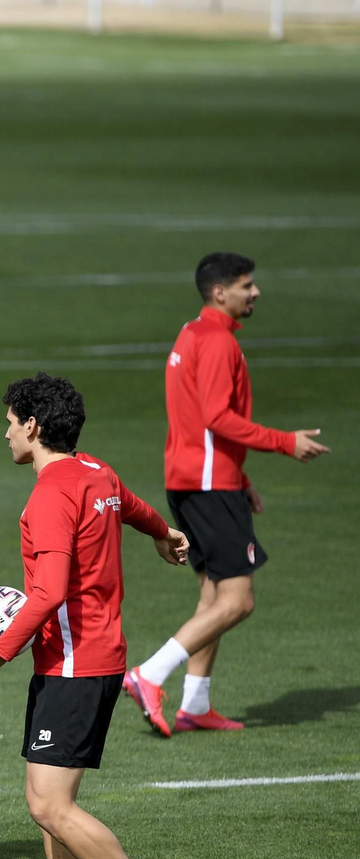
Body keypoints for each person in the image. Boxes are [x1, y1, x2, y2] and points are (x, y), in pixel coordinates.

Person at [0, 373, 193, 859]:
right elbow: (133, 505)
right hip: (88, 658)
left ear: (33, 425)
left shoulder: (48, 495)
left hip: (73, 664)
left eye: (11, 419)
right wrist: (163, 534)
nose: (6, 429)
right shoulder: (96, 472)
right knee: (50, 806)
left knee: (48, 803)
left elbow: (48, 590)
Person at [124, 253, 330, 735]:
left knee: (212, 598)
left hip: (192, 478)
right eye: (246, 285)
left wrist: (242, 479)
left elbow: (199, 420)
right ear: (221, 292)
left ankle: (194, 705)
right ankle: (149, 675)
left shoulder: (191, 332)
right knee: (238, 601)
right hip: (209, 484)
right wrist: (286, 442)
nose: (254, 292)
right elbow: (218, 418)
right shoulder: (218, 342)